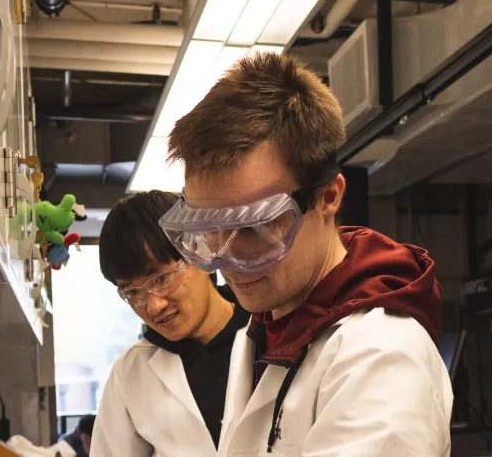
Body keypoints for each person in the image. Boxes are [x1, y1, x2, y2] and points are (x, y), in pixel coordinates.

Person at [160, 52, 452, 455]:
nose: (228, 261)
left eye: (252, 227)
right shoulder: (265, 324)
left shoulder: (381, 354)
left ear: (328, 196)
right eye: (208, 230)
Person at [89, 191, 253, 456]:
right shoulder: (131, 373)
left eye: (161, 279)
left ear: (200, 253)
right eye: (132, 293)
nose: (153, 306)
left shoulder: (275, 334)